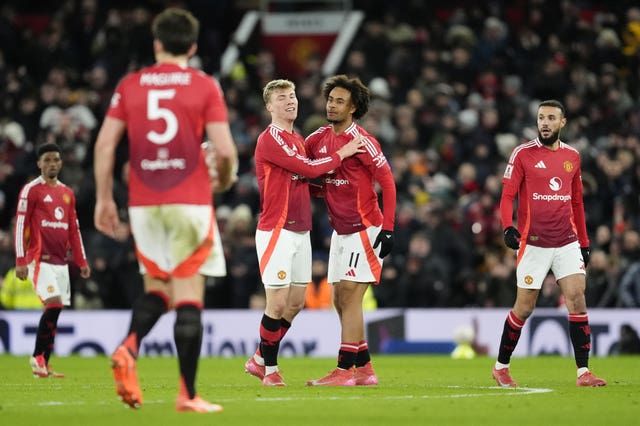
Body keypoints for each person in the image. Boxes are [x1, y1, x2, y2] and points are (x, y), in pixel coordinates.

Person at [93, 8, 237, 413]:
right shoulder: (204, 85)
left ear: (156, 43)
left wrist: (105, 198)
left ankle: (128, 347)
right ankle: (187, 395)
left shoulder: (131, 85)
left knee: (158, 288)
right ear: (192, 47)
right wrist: (224, 178)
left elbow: (105, 145)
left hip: (143, 203)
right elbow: (224, 151)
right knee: (190, 293)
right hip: (190, 198)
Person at [245, 78, 364, 386]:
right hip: (277, 229)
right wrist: (344, 152)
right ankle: (270, 371)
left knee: (296, 303)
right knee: (278, 304)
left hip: (301, 230)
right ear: (270, 106)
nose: (291, 101)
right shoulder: (270, 139)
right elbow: (310, 169)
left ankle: (259, 358)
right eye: (282, 97)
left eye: (293, 95)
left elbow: (308, 181)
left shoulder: (297, 139)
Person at [492, 99, 606, 387]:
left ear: (562, 123)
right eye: (541, 117)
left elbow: (577, 201)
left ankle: (584, 372)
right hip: (533, 244)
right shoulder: (522, 154)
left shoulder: (573, 157)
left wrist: (584, 241)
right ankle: (501, 367)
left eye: (551, 118)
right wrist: (508, 227)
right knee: (524, 308)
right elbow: (507, 196)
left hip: (567, 241)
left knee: (577, 298)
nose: (544, 122)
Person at [305, 75, 397, 386]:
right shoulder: (317, 139)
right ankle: (366, 370)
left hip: (365, 228)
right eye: (330, 100)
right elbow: (308, 173)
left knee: (351, 297)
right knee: (337, 299)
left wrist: (388, 228)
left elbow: (387, 183)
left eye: (339, 101)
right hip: (340, 231)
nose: (332, 105)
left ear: (353, 107)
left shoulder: (364, 141)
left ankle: (344, 370)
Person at [14, 142, 91, 377]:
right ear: (39, 163)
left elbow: (73, 229)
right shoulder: (31, 190)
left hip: (60, 262)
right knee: (54, 303)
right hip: (39, 258)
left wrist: (82, 260)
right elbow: (20, 225)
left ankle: (43, 364)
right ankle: (37, 356)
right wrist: (20, 259)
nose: (51, 164)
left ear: (61, 163)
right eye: (46, 160)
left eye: (55, 159)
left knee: (55, 311)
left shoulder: (67, 193)